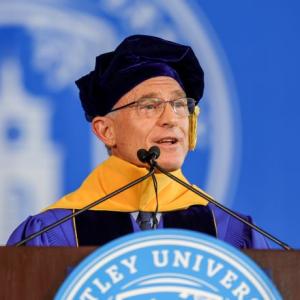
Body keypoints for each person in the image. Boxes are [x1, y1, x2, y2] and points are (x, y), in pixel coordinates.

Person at [7, 35, 269, 248]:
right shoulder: (52, 233)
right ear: (106, 130)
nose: (171, 119)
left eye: (179, 104)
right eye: (149, 106)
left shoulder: (232, 231)